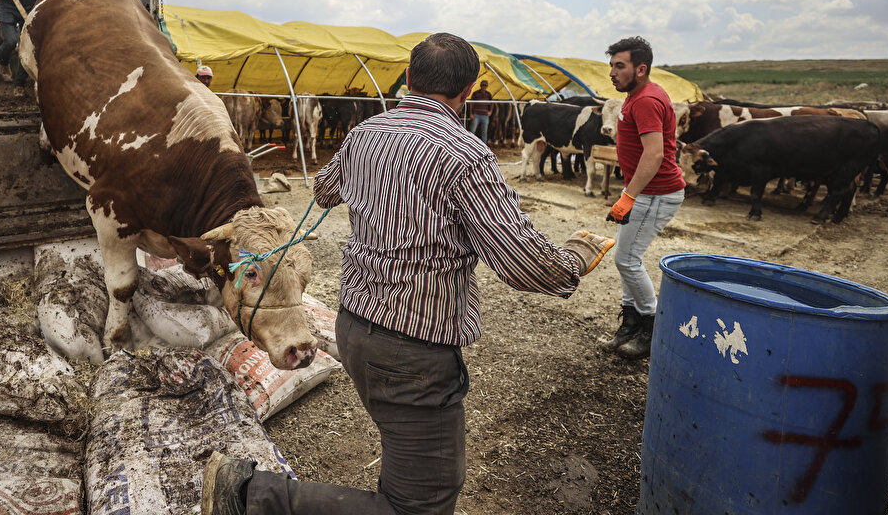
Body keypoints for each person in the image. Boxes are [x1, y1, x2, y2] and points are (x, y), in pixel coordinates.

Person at [201, 32, 615, 515]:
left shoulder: (363, 136)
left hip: (355, 330)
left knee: (410, 466)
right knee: (419, 506)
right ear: (467, 91)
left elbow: (325, 189)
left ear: (410, 79)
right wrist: (575, 256)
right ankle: (251, 495)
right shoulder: (467, 155)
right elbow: (524, 266)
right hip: (412, 353)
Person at [599, 36, 686, 360]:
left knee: (626, 259)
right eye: (611, 66)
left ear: (641, 68)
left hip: (655, 193)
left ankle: (651, 326)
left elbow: (654, 154)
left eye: (619, 66)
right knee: (626, 256)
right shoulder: (637, 95)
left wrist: (628, 196)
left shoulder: (647, 100)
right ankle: (630, 325)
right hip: (642, 192)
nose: (612, 72)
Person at [467, 79, 492, 143]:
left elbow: (492, 103)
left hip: (485, 115)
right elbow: (471, 104)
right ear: (480, 85)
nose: (484, 86)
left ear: (487, 86)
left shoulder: (488, 94)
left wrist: (490, 111)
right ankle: (471, 144)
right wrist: (471, 114)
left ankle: (484, 146)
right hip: (476, 115)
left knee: (484, 132)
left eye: (485, 85)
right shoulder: (475, 93)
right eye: (483, 85)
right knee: (472, 131)